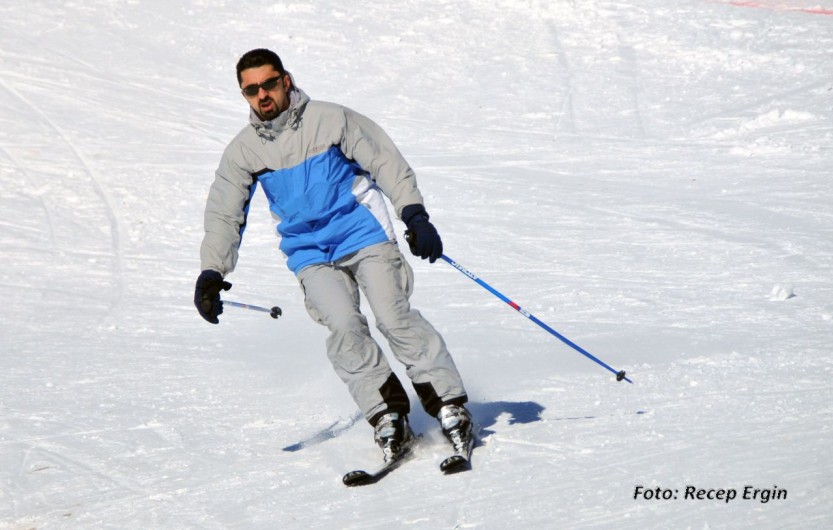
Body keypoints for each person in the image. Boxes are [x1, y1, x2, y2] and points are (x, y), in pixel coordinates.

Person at [194, 48, 472, 462]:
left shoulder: (331, 119)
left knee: (393, 316)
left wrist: (413, 214)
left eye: (269, 84)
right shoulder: (243, 151)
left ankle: (449, 404)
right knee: (343, 327)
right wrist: (212, 271)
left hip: (362, 233)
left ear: (286, 80)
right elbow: (224, 211)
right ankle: (387, 414)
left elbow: (385, 160)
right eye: (251, 90)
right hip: (309, 251)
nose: (262, 95)